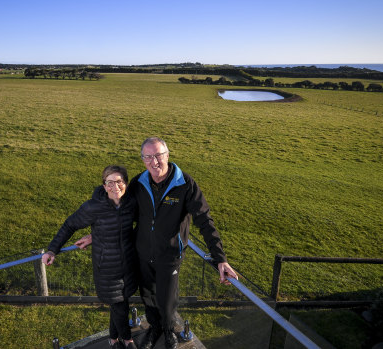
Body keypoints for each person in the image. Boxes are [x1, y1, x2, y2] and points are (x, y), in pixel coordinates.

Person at [131, 137, 238, 349]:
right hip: (143, 253)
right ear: (143, 159)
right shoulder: (138, 183)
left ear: (168, 155)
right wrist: (94, 235)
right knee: (148, 296)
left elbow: (204, 220)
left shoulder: (184, 184)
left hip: (169, 256)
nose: (155, 162)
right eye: (148, 157)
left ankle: (169, 331)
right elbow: (120, 214)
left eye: (159, 155)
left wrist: (220, 259)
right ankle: (155, 329)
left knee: (167, 300)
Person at [41, 165, 138, 349]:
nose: (115, 186)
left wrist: (95, 235)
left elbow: (130, 227)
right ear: (103, 185)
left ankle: (113, 339)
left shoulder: (131, 204)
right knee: (120, 305)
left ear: (125, 183)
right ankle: (127, 340)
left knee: (119, 302)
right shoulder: (94, 207)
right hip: (107, 268)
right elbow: (69, 225)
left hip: (128, 266)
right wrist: (52, 250)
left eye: (119, 181)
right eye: (110, 182)